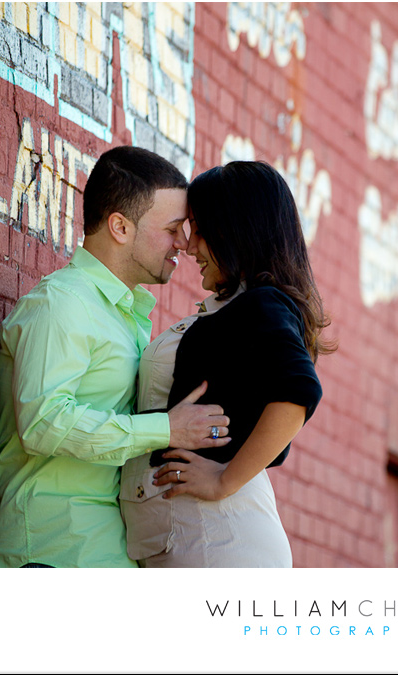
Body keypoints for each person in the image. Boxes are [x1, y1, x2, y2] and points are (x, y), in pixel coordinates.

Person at [0, 146, 231, 568]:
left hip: (106, 549)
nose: (184, 244)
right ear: (120, 226)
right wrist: (165, 429)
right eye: (173, 228)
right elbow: (43, 422)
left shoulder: (123, 315)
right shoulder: (63, 304)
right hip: (54, 550)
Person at [119, 160, 333, 567]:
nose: (189, 245)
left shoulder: (261, 304)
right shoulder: (231, 308)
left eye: (199, 229)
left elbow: (299, 391)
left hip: (217, 544)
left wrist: (223, 480)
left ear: (236, 228)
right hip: (192, 540)